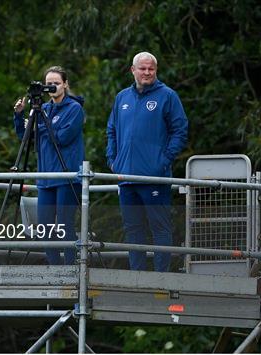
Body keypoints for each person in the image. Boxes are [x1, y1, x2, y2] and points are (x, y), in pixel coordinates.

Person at [106, 52, 188, 272]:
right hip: (126, 177)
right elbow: (111, 130)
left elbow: (180, 131)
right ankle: (137, 278)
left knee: (160, 228)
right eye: (142, 69)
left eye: (151, 69)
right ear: (133, 70)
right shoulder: (122, 97)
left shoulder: (167, 96)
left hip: (154, 177)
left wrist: (163, 160)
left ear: (156, 70)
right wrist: (113, 160)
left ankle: (161, 278)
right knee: (133, 230)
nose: (147, 73)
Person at [13, 66, 85, 265]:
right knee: (44, 228)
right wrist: (20, 117)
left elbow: (62, 137)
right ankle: (55, 269)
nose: (52, 87)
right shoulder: (42, 109)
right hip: (45, 178)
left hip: (66, 176)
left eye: (56, 83)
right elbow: (25, 136)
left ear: (65, 84)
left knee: (64, 225)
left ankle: (71, 270)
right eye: (48, 84)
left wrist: (39, 126)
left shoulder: (74, 109)